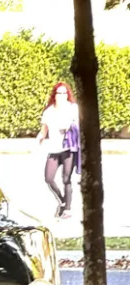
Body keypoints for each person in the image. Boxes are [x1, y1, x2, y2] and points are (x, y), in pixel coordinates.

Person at [37, 81, 80, 219]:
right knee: (48, 178)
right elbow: (43, 130)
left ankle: (67, 209)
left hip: (68, 148)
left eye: (64, 93)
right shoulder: (49, 112)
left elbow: (79, 124)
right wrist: (39, 138)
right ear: (54, 95)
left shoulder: (73, 108)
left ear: (67, 95)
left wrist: (69, 127)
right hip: (54, 149)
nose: (62, 96)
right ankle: (62, 201)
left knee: (66, 179)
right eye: (59, 93)